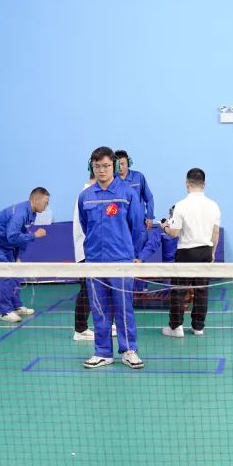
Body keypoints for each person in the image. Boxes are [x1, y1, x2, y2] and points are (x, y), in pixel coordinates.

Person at [77, 147, 145, 369]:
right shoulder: (85, 196)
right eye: (97, 166)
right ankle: (103, 352)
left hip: (121, 262)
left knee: (124, 308)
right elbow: (86, 227)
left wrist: (131, 254)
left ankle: (129, 350)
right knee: (99, 309)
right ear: (92, 167)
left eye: (106, 166)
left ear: (114, 166)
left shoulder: (127, 193)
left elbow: (137, 228)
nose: (101, 170)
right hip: (95, 262)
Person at [161, 168, 221, 337]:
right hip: (205, 251)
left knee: (179, 290)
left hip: (186, 253)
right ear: (204, 185)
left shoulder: (181, 205)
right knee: (201, 290)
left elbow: (174, 233)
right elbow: (215, 233)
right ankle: (198, 327)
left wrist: (164, 226)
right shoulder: (213, 206)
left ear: (187, 184)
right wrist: (212, 252)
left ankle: (176, 327)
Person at [0, 188, 50, 323]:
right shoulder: (20, 214)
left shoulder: (32, 214)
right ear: (35, 200)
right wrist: (34, 235)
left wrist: (18, 256)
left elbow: (21, 235)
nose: (47, 206)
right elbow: (13, 236)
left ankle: (16, 306)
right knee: (4, 273)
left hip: (5, 244)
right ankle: (5, 312)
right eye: (46, 202)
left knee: (15, 271)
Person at [71, 166, 96, 341]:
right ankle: (80, 329)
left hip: (94, 252)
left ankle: (105, 324)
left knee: (96, 290)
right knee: (87, 291)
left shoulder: (92, 193)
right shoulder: (87, 195)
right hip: (87, 251)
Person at [115, 149, 156, 233]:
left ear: (128, 163)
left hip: (138, 221)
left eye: (122, 164)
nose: (120, 167)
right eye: (118, 164)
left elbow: (149, 198)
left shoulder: (138, 177)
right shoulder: (112, 180)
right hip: (119, 222)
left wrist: (150, 216)